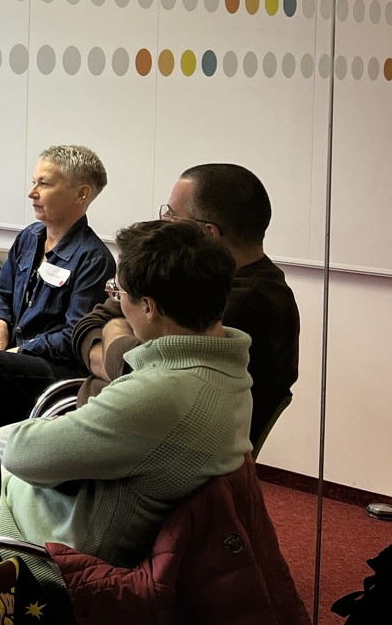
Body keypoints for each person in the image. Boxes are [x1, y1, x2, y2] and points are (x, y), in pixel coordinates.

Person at [0, 219, 253, 567]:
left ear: (148, 307)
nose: (117, 302)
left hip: (54, 552)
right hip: (71, 511)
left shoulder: (164, 394)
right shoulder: (228, 370)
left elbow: (21, 456)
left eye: (118, 295)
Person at [72, 164, 299, 446]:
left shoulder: (248, 305)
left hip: (149, 451)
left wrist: (113, 329)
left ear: (207, 234)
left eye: (171, 214)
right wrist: (116, 346)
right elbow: (88, 325)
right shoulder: (181, 277)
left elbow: (139, 373)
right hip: (124, 429)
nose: (163, 221)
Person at [0, 144, 116, 419]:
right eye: (34, 182)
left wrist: (19, 349)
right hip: (15, 357)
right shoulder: (30, 237)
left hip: (52, 369)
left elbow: (74, 336)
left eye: (43, 184)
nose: (31, 193)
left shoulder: (94, 259)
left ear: (82, 193)